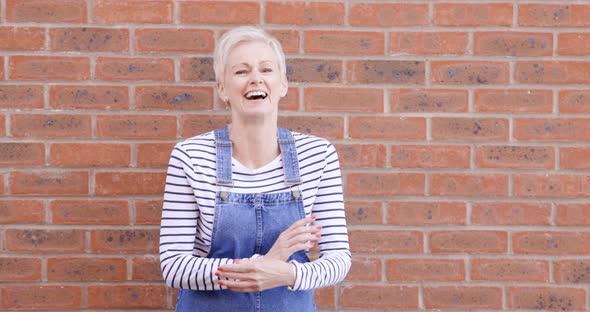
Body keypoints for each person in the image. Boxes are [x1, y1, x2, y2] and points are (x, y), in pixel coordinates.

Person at [159, 26, 351, 311]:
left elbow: (338, 259)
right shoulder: (190, 156)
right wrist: (260, 266)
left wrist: (286, 273)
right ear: (222, 89)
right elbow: (173, 266)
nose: (255, 79)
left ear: (283, 84)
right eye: (241, 71)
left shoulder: (318, 155)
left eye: (266, 69)